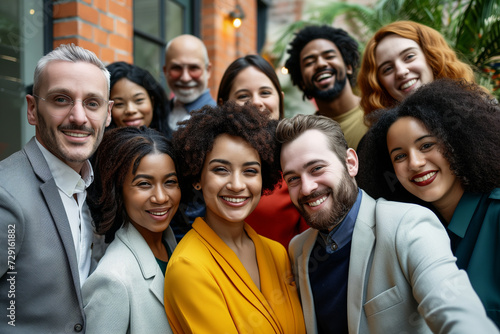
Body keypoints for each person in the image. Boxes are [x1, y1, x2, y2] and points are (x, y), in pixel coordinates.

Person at [276, 113, 499, 333]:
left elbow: (454, 310)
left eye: (316, 169)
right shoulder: (298, 250)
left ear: (350, 163)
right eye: (293, 179)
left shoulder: (409, 225)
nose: (306, 188)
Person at [356, 79, 500, 328]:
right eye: (399, 156)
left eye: (426, 145)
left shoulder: (496, 215)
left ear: (457, 142)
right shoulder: (410, 233)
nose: (415, 163)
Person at [164, 102, 305, 333]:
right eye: (221, 170)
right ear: (197, 177)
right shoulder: (188, 267)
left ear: (264, 178)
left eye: (250, 171)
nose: (237, 185)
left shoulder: (278, 253)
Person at [0, 44, 112, 332]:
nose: (78, 117)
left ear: (108, 114)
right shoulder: (5, 194)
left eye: (92, 103)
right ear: (33, 109)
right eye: (61, 100)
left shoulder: (95, 184)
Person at [83, 126, 180, 333]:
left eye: (170, 182)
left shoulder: (173, 245)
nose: (161, 197)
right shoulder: (112, 278)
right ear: (118, 191)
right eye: (144, 184)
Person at [217, 54, 308, 247]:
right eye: (243, 96)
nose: (257, 102)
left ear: (280, 99)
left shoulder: (296, 159)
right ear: (223, 105)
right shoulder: (207, 157)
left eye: (265, 93)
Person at [358, 20, 478, 125]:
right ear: (379, 84)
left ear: (432, 58)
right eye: (387, 69)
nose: (401, 72)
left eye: (409, 56)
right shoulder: (379, 141)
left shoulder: (479, 109)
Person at [284, 25, 368, 150]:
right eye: (309, 63)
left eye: (329, 56)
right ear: (302, 81)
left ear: (348, 67)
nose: (320, 64)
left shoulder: (376, 112)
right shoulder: (304, 137)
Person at [163, 34, 216, 132]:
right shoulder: (158, 112)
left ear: (208, 70)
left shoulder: (218, 120)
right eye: (176, 68)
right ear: (165, 71)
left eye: (194, 68)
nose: (185, 78)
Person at [106, 61, 172, 138]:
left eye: (139, 100)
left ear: (152, 101)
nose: (131, 110)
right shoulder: (96, 148)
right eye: (119, 104)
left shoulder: (174, 145)